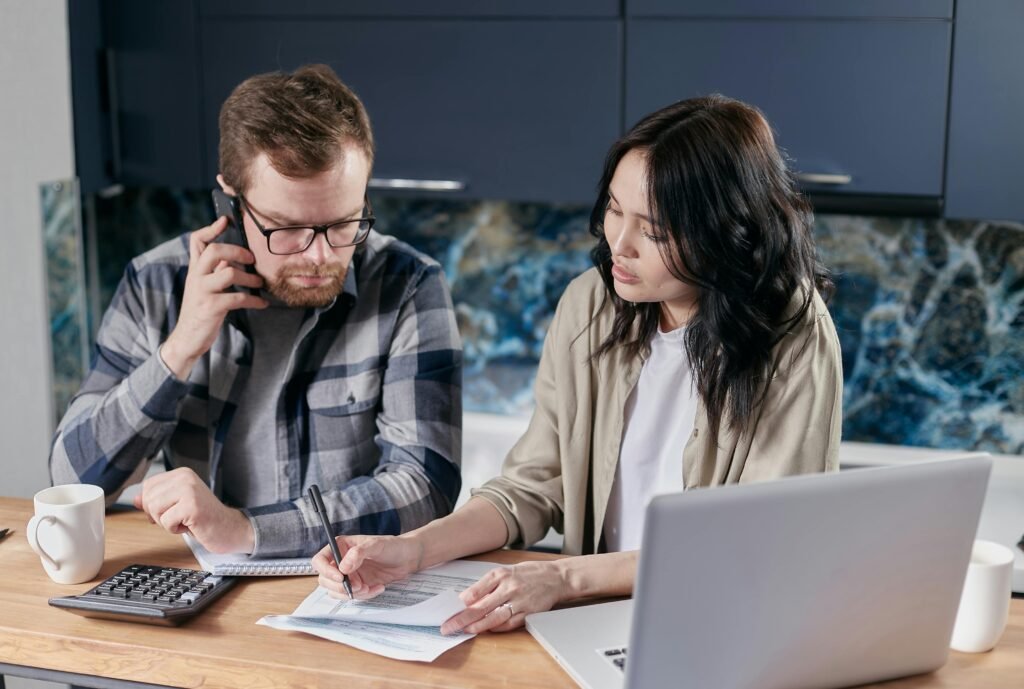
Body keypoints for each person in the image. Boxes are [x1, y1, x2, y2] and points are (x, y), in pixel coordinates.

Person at [313, 94, 843, 633]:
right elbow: (532, 485)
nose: (620, 244)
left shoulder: (793, 333)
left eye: (654, 230)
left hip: (721, 627)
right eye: (614, 208)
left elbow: (754, 541)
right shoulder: (590, 304)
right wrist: (413, 549)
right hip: (595, 626)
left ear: (724, 231)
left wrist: (564, 578)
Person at [49, 64, 463, 558]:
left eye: (343, 223)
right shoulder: (156, 284)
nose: (320, 256)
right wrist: (178, 351)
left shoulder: (409, 285)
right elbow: (71, 482)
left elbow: (427, 485)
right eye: (288, 228)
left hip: (350, 586)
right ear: (230, 202)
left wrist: (246, 530)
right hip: (202, 587)